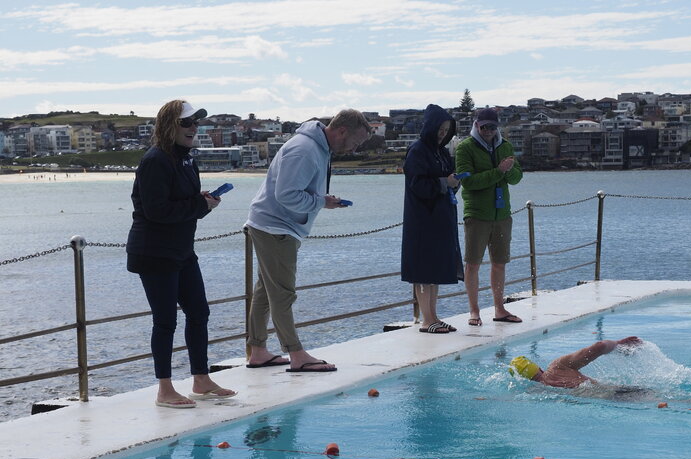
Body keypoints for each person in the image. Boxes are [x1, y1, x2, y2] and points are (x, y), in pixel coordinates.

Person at [126, 100, 236, 409]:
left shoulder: (186, 160)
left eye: (196, 123)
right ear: (169, 126)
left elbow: (185, 207)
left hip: (181, 250)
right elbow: (156, 211)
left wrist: (202, 202)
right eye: (187, 123)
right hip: (154, 252)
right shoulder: (155, 161)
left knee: (199, 312)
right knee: (165, 321)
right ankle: (165, 389)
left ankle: (201, 380)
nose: (193, 128)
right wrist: (199, 205)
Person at [244, 109, 372, 371]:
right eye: (356, 141)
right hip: (276, 226)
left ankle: (257, 350)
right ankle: (297, 355)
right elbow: (287, 195)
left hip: (271, 224)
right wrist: (321, 202)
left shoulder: (316, 147)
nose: (355, 148)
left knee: (266, 292)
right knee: (282, 294)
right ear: (342, 131)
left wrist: (321, 201)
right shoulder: (305, 149)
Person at [455, 107, 524, 326]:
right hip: (477, 214)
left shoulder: (506, 146)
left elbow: (517, 178)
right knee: (473, 264)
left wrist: (509, 170)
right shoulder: (465, 148)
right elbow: (468, 181)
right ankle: (474, 311)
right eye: (484, 126)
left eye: (492, 127)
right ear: (476, 125)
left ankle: (499, 309)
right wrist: (498, 172)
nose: (488, 131)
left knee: (500, 263)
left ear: (498, 127)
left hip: (502, 213)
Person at [401, 104, 464, 334]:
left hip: (441, 217)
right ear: (430, 127)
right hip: (422, 220)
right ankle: (427, 320)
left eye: (446, 129)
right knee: (423, 271)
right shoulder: (417, 150)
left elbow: (447, 182)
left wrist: (454, 182)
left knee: (435, 270)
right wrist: (444, 183)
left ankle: (434, 316)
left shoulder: (442, 151)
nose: (442, 133)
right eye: (440, 128)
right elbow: (417, 185)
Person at [509, 337, 643, 388]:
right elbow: (600, 346)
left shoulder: (534, 392)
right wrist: (618, 345)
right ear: (539, 368)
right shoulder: (558, 367)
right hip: (619, 393)